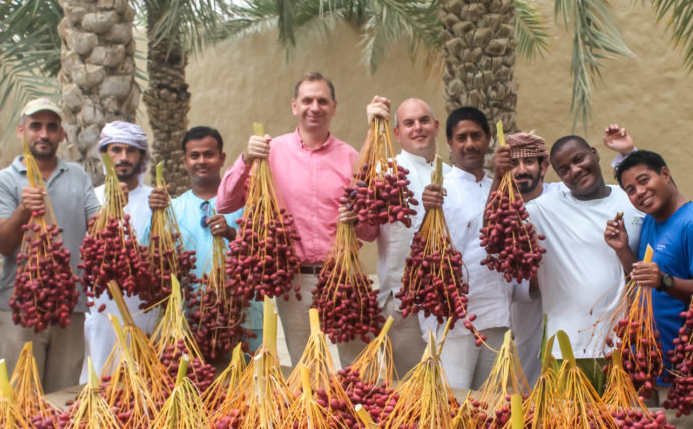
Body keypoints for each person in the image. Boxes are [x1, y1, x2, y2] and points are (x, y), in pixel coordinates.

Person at [216, 72, 362, 366]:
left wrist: (360, 216)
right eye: (307, 100)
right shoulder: (270, 152)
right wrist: (246, 159)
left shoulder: (351, 157)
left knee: (355, 366)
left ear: (334, 107)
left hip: (343, 276)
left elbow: (369, 230)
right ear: (294, 105)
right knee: (306, 369)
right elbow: (225, 202)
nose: (314, 107)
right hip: (293, 278)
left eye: (322, 101)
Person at [0, 98, 99, 392]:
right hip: (21, 306)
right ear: (21, 131)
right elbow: (3, 244)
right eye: (36, 126)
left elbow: (98, 228)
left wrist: (116, 207)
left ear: (62, 134)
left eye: (52, 127)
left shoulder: (78, 175)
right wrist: (24, 209)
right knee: (21, 400)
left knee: (62, 398)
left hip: (68, 303)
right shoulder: (3, 181)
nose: (44, 134)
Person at [518, 134, 643, 389]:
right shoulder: (542, 210)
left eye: (579, 159)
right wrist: (500, 174)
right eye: (564, 169)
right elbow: (497, 226)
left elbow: (666, 192)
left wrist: (630, 153)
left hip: (624, 348)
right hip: (565, 351)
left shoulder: (632, 201)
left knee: (627, 428)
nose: (575, 171)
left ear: (595, 154)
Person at [352, 96, 449, 377]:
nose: (417, 127)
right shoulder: (385, 173)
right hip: (401, 302)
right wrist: (372, 131)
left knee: (451, 388)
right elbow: (360, 216)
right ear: (397, 133)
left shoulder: (452, 175)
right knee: (408, 391)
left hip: (447, 299)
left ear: (436, 126)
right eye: (408, 123)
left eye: (423, 120)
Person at [418, 107, 513, 391]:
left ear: (487, 140)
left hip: (495, 313)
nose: (469, 144)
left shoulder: (503, 186)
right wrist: (427, 209)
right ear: (450, 142)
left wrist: (500, 175)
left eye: (476, 136)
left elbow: (496, 234)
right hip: (453, 318)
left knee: (491, 405)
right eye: (461, 137)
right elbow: (423, 248)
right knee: (453, 402)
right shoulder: (438, 187)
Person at [604, 147, 693, 399]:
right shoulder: (651, 219)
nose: (639, 192)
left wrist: (664, 281)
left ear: (665, 174)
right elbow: (643, 279)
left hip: (682, 368)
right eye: (630, 190)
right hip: (648, 362)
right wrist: (622, 249)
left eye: (644, 181)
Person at [146, 125, 262, 351]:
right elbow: (154, 258)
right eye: (194, 156)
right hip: (191, 322)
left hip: (243, 318)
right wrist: (154, 215)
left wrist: (231, 233)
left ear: (222, 159)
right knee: (197, 383)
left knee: (246, 383)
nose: (202, 161)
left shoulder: (247, 202)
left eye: (209, 154)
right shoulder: (172, 209)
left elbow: (265, 254)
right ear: (184, 161)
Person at [80, 121, 159, 381]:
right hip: (102, 311)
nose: (123, 157)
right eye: (116, 150)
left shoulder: (157, 200)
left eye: (131, 150)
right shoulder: (90, 198)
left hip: (145, 310)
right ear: (105, 155)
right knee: (99, 383)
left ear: (141, 157)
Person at [503, 131, 561, 384]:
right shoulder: (500, 208)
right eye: (513, 163)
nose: (521, 170)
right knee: (528, 373)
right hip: (526, 304)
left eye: (528, 162)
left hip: (568, 298)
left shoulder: (563, 196)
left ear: (544, 165)